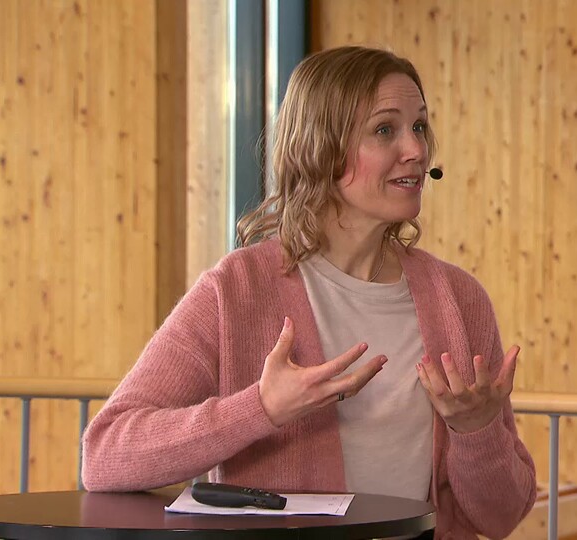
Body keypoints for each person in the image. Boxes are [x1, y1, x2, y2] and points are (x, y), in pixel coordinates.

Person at [81, 46, 537, 539]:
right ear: (321, 148)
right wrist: (262, 407)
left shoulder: (459, 300)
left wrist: (476, 431)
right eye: (385, 130)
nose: (416, 149)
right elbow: (105, 455)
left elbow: (501, 517)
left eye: (420, 126)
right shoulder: (236, 290)